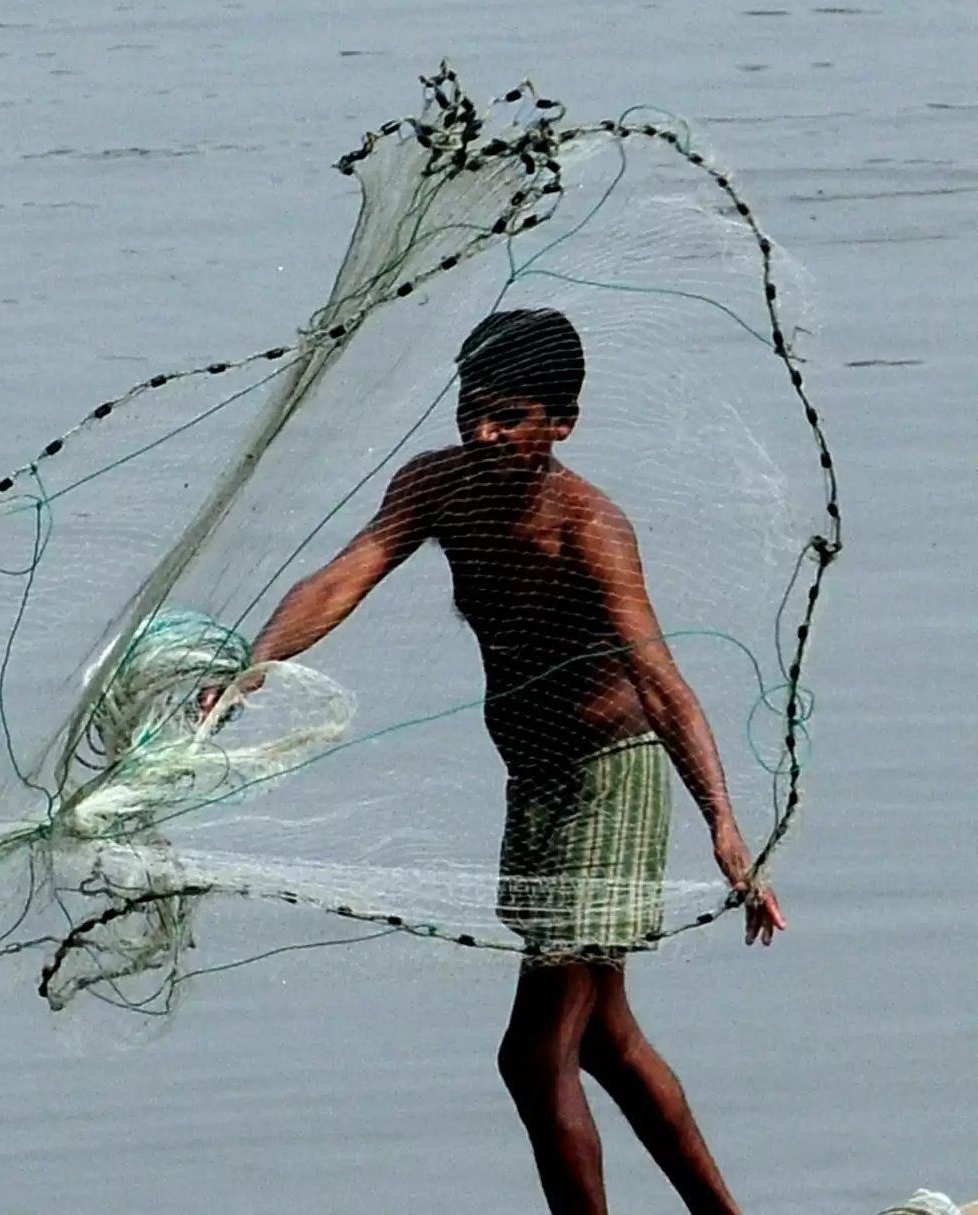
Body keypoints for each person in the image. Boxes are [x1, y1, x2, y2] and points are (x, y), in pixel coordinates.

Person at [208, 307, 785, 1215]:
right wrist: (253, 669)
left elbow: (660, 678)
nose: (485, 432)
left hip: (612, 777)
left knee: (533, 1053)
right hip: (537, 780)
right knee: (605, 1037)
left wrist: (722, 822)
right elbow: (342, 577)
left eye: (511, 417)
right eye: (473, 410)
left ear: (562, 423)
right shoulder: (435, 488)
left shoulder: (589, 526)